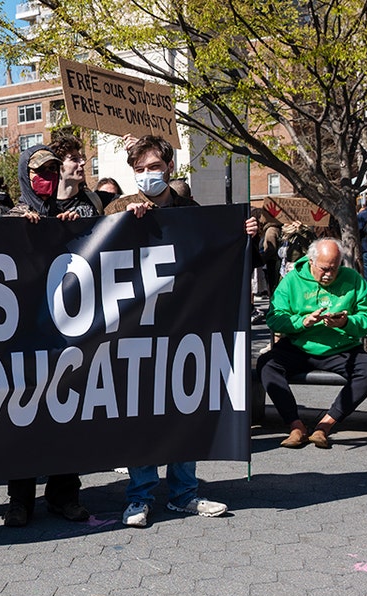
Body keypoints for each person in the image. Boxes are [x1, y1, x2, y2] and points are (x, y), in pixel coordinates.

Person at [110, 135, 260, 528]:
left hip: (183, 331)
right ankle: (139, 498)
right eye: (139, 170)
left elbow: (218, 249)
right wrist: (127, 222)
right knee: (140, 414)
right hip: (136, 333)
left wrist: (243, 232)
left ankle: (183, 494)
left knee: (183, 408)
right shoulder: (122, 211)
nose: (147, 176)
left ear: (169, 168)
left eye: (154, 168)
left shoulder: (191, 211)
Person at [2, 143, 92, 527]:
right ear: (25, 174)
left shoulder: (72, 214)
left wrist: (73, 229)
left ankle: (64, 494)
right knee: (22, 421)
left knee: (65, 418)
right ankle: (19, 500)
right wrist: (18, 232)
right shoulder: (8, 216)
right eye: (40, 170)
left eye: (54, 170)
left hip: (65, 336)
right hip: (22, 337)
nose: (48, 177)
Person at [259, 238, 367, 448]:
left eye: (334, 269)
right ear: (311, 262)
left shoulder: (352, 278)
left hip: (341, 347)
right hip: (299, 345)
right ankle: (296, 425)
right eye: (324, 269)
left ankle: (325, 425)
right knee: (266, 364)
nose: (329, 274)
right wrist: (301, 322)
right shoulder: (292, 280)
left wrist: (346, 322)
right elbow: (274, 317)